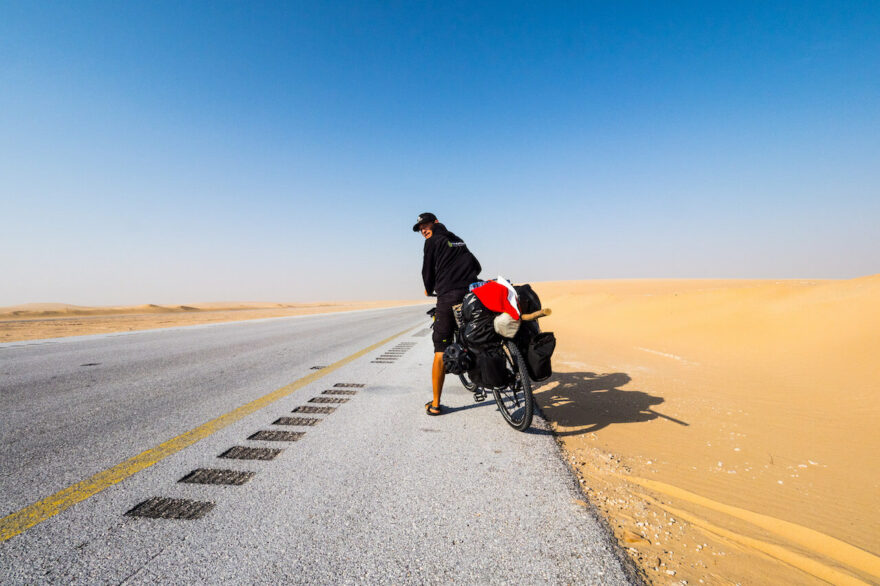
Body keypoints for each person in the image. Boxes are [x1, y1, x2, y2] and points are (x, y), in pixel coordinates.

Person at [412, 212, 482, 415]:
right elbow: (476, 265)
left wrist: (428, 287)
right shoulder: (458, 240)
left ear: (436, 223)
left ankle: (435, 404)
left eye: (425, 226)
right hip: (471, 292)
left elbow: (427, 270)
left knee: (440, 347)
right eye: (420, 229)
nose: (423, 231)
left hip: (448, 295)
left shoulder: (433, 241)